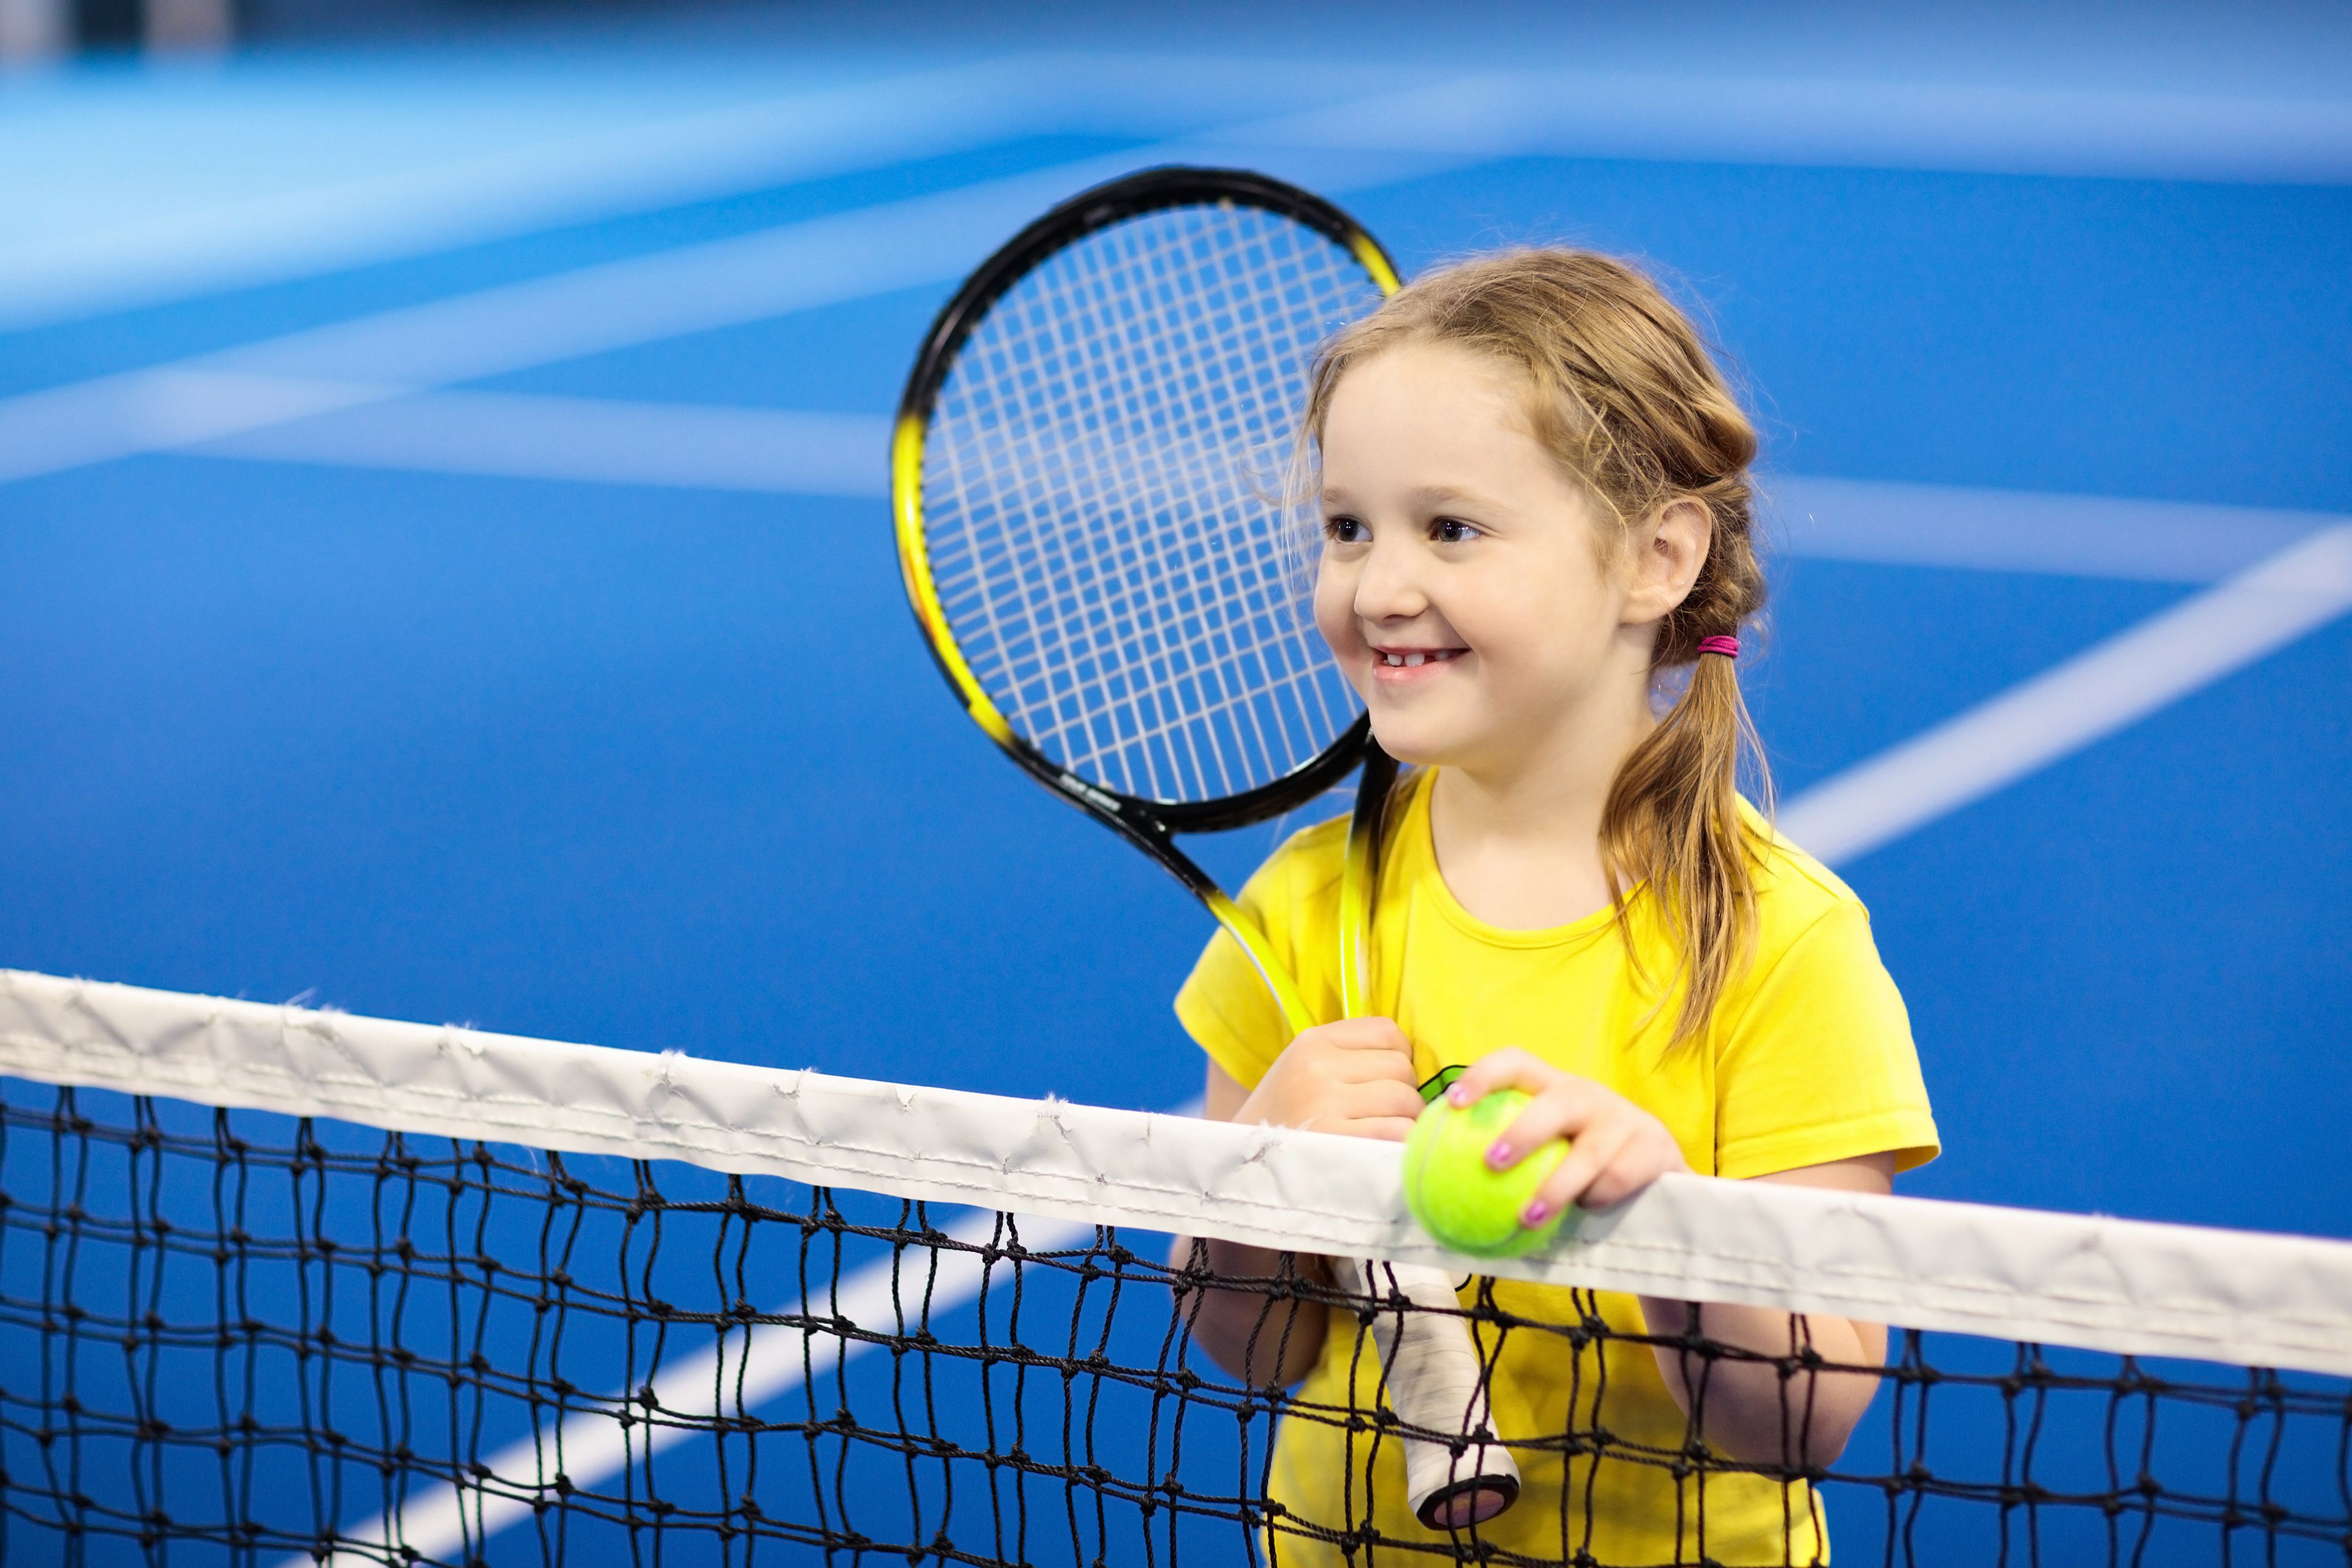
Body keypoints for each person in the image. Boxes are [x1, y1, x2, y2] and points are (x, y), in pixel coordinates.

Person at [1168, 250, 1940, 1565]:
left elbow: (1800, 1419)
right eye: (1346, 527)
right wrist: (1248, 1195)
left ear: (1654, 558)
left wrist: (1667, 1222)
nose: (1377, 587)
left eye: (1449, 528)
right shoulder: (1298, 907)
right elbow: (1255, 1349)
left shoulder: (1781, 942)